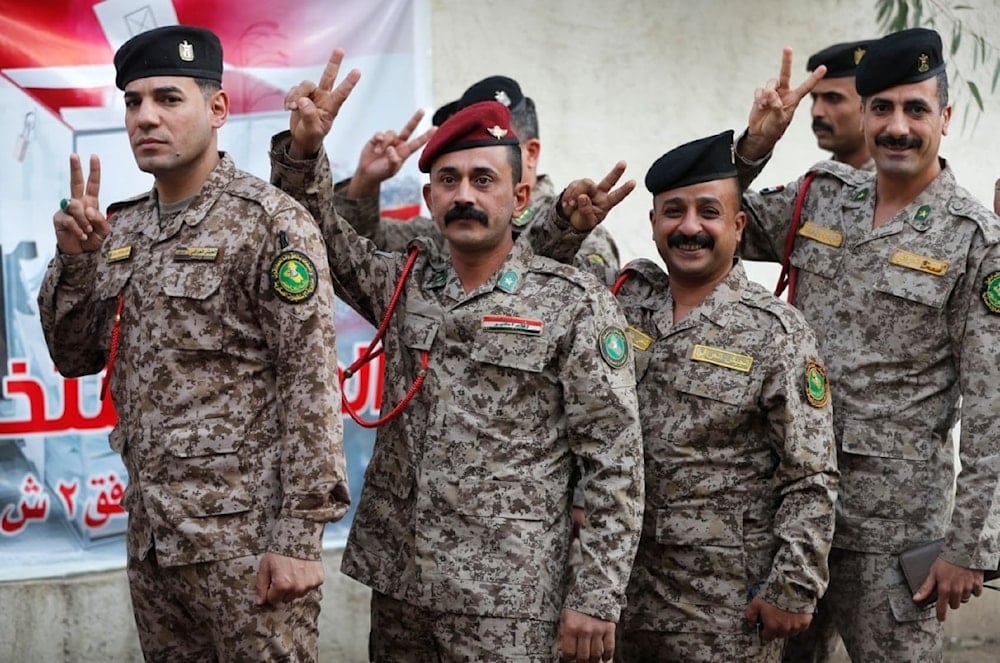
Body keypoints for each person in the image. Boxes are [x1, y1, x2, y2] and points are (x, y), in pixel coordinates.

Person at [270, 49, 645, 663]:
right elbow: (320, 238)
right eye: (449, 181)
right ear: (429, 196)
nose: (464, 195)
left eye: (483, 180)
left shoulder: (572, 302)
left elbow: (615, 461)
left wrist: (597, 596)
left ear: (521, 194)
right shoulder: (403, 281)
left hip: (511, 597)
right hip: (403, 590)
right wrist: (304, 152)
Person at [37, 25, 349, 662]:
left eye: (168, 99)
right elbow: (74, 358)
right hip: (155, 539)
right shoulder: (119, 229)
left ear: (217, 109)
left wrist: (298, 536)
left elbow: (311, 382)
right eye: (133, 102)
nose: (146, 117)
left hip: (248, 546)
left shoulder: (270, 222)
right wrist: (77, 262)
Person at [736, 29, 1000, 662]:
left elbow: (994, 406)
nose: (898, 127)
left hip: (893, 531)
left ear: (945, 116)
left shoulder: (975, 240)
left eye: (916, 109)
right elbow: (718, 223)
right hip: (790, 510)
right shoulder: (821, 196)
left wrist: (972, 546)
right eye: (882, 108)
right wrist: (754, 146)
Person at [529, 129, 839, 662]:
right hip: (618, 592)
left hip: (721, 610)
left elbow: (810, 474)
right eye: (673, 211)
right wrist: (563, 228)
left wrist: (793, 585)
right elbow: (525, 285)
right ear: (652, 224)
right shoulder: (624, 301)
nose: (689, 227)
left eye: (708, 212)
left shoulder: (777, 333)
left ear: (738, 226)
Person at [328, 74, 622, 272]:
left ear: (529, 154)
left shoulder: (581, 230)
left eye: (492, 141)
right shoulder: (444, 226)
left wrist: (563, 231)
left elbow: (580, 300)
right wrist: (365, 183)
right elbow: (356, 256)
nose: (465, 194)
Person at [805, 40, 875, 170]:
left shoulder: (898, 184)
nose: (816, 111)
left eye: (833, 98)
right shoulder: (816, 182)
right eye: (814, 98)